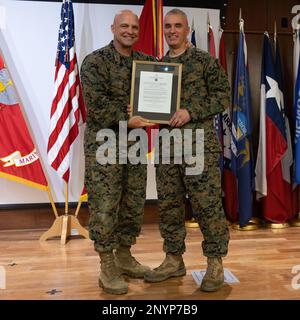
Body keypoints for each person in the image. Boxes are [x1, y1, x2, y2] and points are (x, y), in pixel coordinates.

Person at [144, 8, 231, 292]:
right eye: (168, 26)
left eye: (177, 26)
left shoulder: (204, 62)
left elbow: (223, 97)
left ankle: (215, 262)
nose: (172, 30)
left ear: (185, 29)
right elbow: (152, 107)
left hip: (199, 148)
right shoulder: (155, 68)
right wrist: (143, 111)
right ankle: (173, 259)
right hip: (168, 148)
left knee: (206, 205)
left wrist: (191, 111)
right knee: (169, 205)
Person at [80, 10, 153, 295]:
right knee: (106, 205)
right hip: (105, 146)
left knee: (133, 202)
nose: (130, 31)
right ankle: (107, 264)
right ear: (113, 28)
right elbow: (96, 106)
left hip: (134, 144)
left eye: (134, 27)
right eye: (125, 26)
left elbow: (158, 99)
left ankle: (124, 254)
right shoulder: (95, 62)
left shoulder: (146, 64)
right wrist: (127, 118)